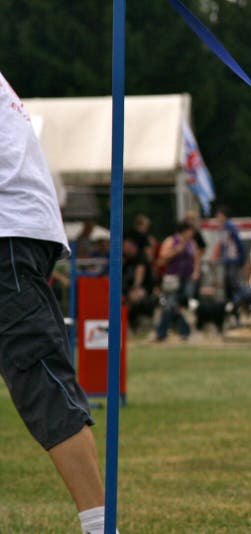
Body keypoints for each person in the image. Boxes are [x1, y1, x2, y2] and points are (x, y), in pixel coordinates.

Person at [0, 71, 116, 533]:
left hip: (6, 232)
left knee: (41, 379)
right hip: (19, 230)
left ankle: (100, 526)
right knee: (40, 376)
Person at [154, 221, 200, 341]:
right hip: (172, 278)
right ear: (184, 231)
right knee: (171, 305)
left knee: (181, 305)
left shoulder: (191, 243)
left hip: (187, 278)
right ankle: (164, 332)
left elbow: (196, 258)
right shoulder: (171, 241)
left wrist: (196, 272)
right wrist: (176, 251)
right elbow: (161, 257)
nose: (192, 234)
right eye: (190, 231)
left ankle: (180, 332)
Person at [213, 205, 245, 319]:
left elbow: (236, 244)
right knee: (229, 285)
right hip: (229, 260)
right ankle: (233, 309)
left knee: (233, 285)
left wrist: (241, 258)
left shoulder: (229, 227)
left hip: (232, 260)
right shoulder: (224, 227)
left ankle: (237, 304)